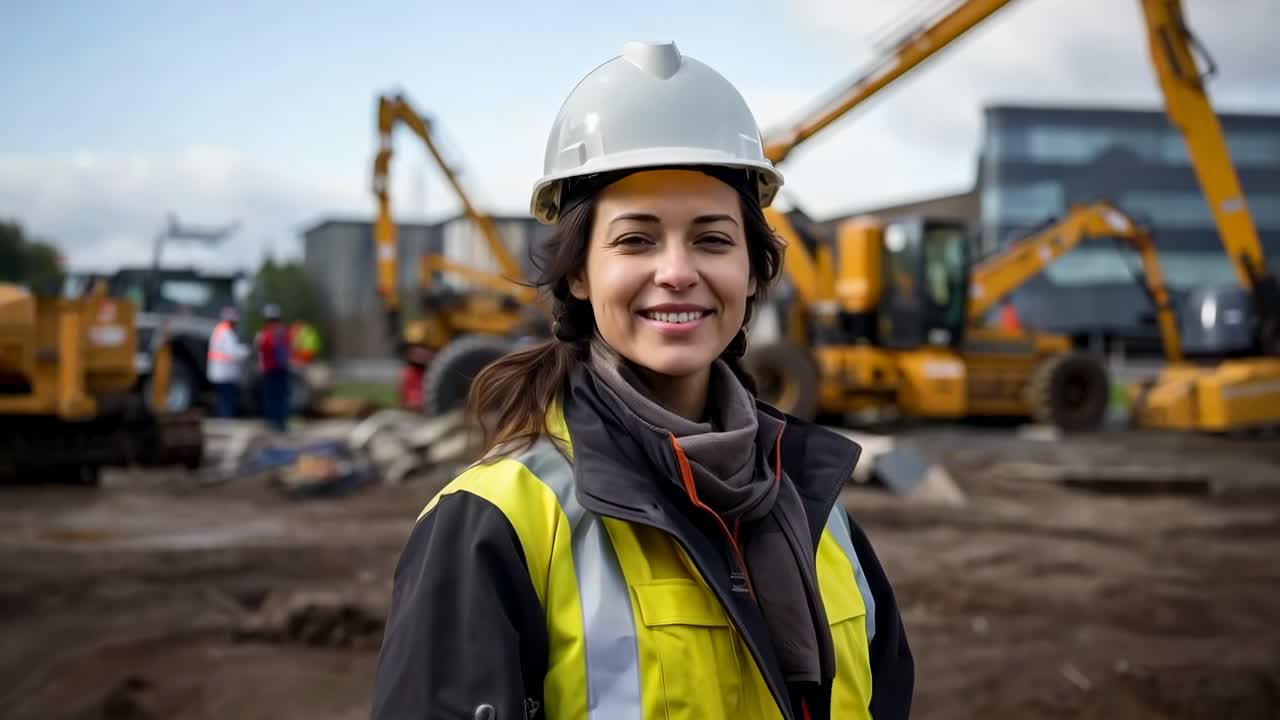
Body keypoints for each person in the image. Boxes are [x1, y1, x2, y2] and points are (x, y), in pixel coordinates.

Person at [371, 41, 913, 720]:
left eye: (713, 239)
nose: (678, 270)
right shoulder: (496, 525)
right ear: (578, 273)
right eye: (636, 240)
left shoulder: (824, 511)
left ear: (752, 272)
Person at [254, 303, 291, 432]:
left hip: (269, 369)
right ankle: (281, 423)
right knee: (282, 397)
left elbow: (260, 349)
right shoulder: (283, 331)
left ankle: (271, 423)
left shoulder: (264, 333)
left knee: (270, 397)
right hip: (282, 368)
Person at [206, 306, 249, 418]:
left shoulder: (219, 329)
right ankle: (226, 420)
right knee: (227, 400)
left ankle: (224, 418)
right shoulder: (226, 332)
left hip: (220, 371)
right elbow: (232, 352)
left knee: (223, 399)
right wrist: (246, 351)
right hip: (225, 372)